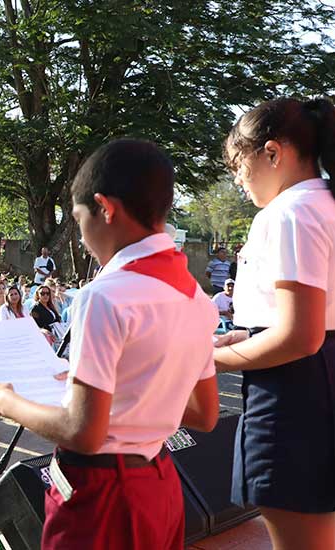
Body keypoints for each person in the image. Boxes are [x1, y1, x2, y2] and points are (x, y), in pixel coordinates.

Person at [0, 138, 219, 550]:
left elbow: (83, 432)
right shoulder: (196, 298)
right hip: (159, 482)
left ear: (105, 208)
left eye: (78, 217)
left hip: (104, 495)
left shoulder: (105, 295)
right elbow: (204, 413)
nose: (83, 235)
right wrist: (109, 391)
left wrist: (5, 401)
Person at [215, 97, 335, 549]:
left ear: (271, 152)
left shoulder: (290, 211)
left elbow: (301, 336)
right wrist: (248, 336)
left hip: (293, 394)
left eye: (238, 164)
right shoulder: (324, 202)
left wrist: (211, 361)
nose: (238, 179)